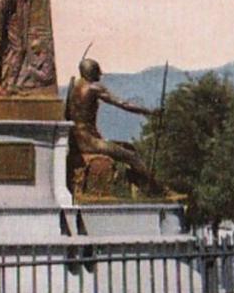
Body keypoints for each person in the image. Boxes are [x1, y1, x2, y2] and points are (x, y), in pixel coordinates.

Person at [66, 57, 163, 194]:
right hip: (89, 141)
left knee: (129, 147)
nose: (100, 74)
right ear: (90, 72)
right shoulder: (94, 88)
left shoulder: (74, 87)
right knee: (132, 156)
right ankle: (156, 191)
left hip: (77, 139)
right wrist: (149, 112)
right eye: (97, 71)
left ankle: (140, 186)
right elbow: (122, 104)